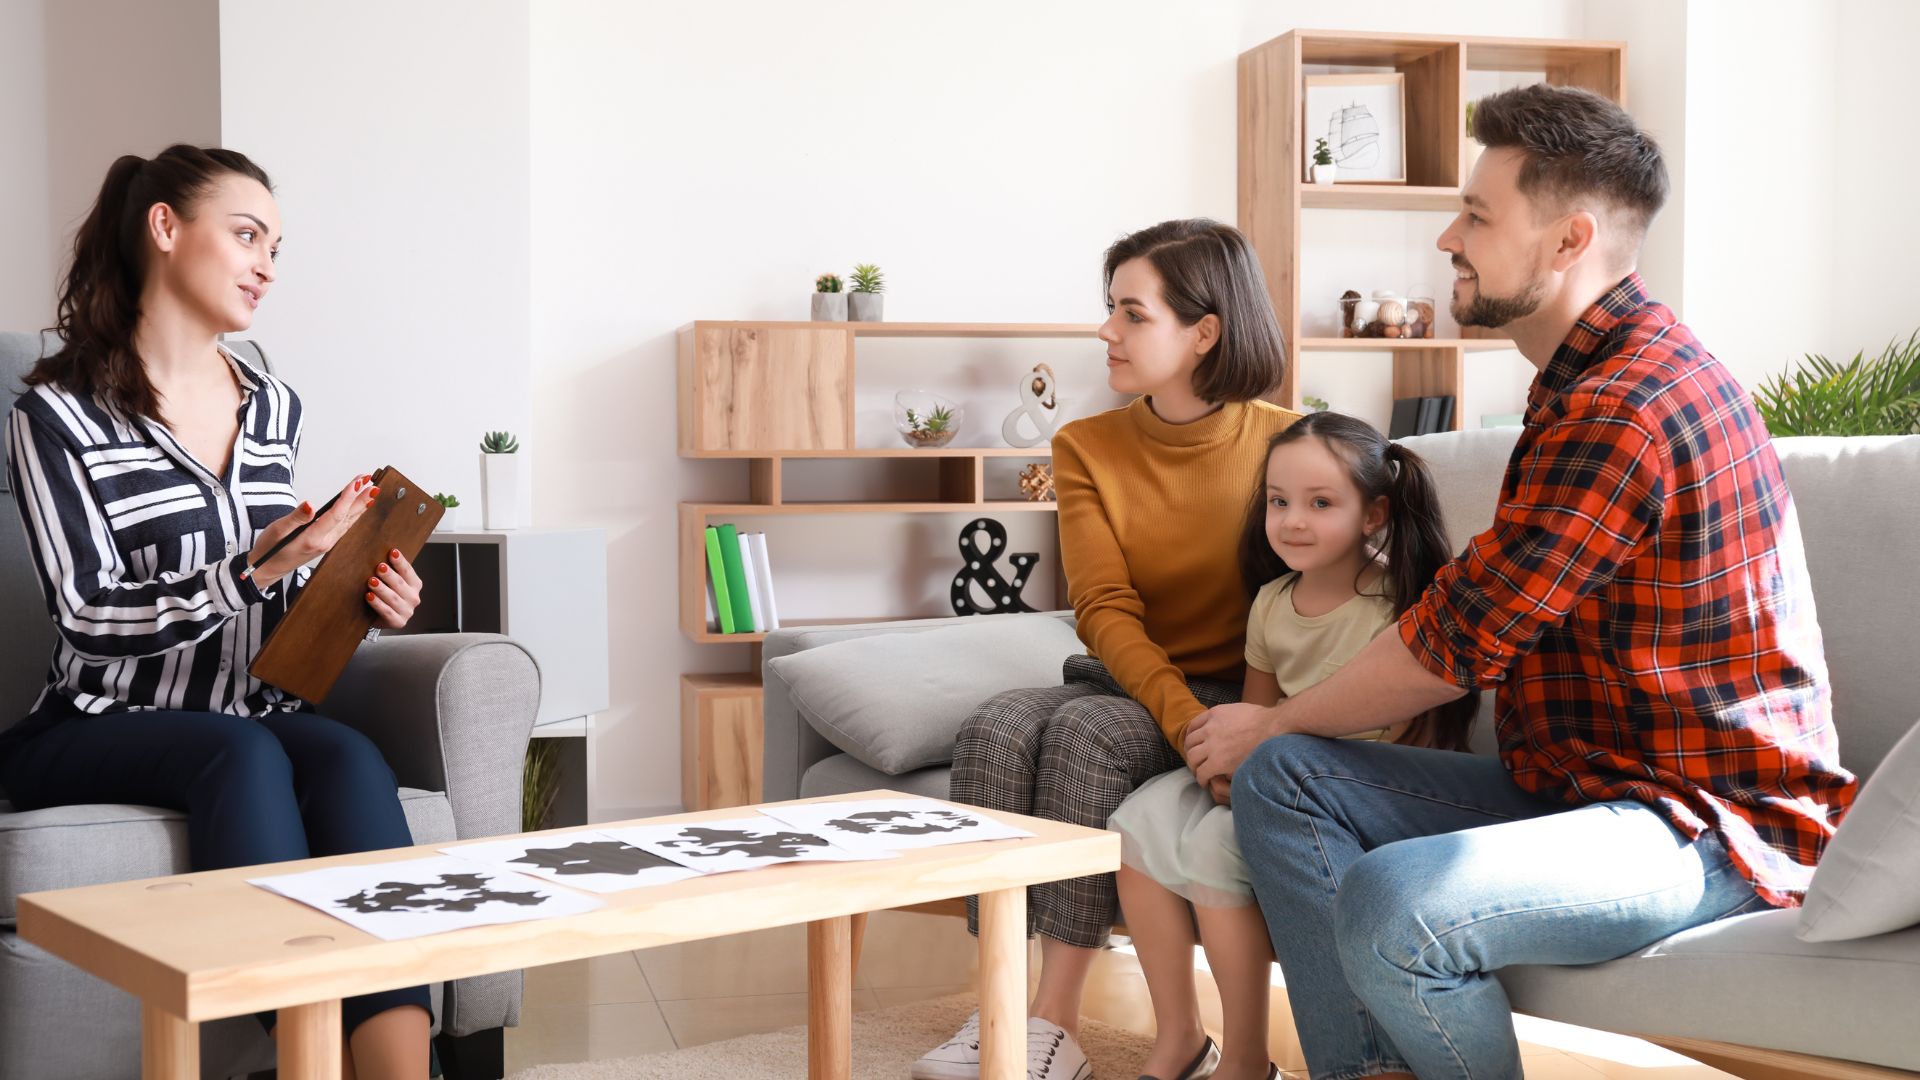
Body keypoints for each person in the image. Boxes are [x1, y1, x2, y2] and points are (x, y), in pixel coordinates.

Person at [1183, 85, 1857, 1080]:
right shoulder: (1579, 381)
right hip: (1577, 792)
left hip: (1700, 822)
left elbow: (1459, 641)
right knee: (1287, 785)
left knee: (1392, 900)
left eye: (1478, 216)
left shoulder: (1627, 405)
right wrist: (1279, 739)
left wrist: (1271, 718)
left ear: (1567, 240)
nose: (1448, 237)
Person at [1, 145, 433, 1080]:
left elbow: (276, 591)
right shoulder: (55, 415)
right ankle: (304, 1061)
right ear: (165, 228)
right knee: (238, 750)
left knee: (347, 755)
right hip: (98, 723)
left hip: (251, 708)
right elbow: (84, 615)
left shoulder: (273, 405)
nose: (267, 265)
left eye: (276, 245)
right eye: (247, 236)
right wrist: (254, 566)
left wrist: (359, 593)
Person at [912, 219, 1300, 1080]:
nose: (1105, 331)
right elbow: (1104, 607)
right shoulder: (1086, 445)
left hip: (1240, 691)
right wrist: (1185, 719)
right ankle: (1007, 1009)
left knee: (1086, 737)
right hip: (1137, 678)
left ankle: (1052, 1021)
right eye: (1109, 309)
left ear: (1205, 332)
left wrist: (1231, 725)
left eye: (1131, 312)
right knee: (997, 727)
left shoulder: (1291, 441)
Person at [1109, 412, 1473, 1080]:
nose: (1292, 521)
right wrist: (1222, 768)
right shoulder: (1272, 603)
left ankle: (1247, 1058)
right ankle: (1179, 1038)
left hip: (1356, 796)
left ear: (1374, 514)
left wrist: (1255, 777)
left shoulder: (1400, 607)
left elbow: (1405, 747)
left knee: (1211, 846)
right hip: (1273, 771)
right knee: (1134, 823)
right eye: (1279, 502)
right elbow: (1256, 716)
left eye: (1321, 503)